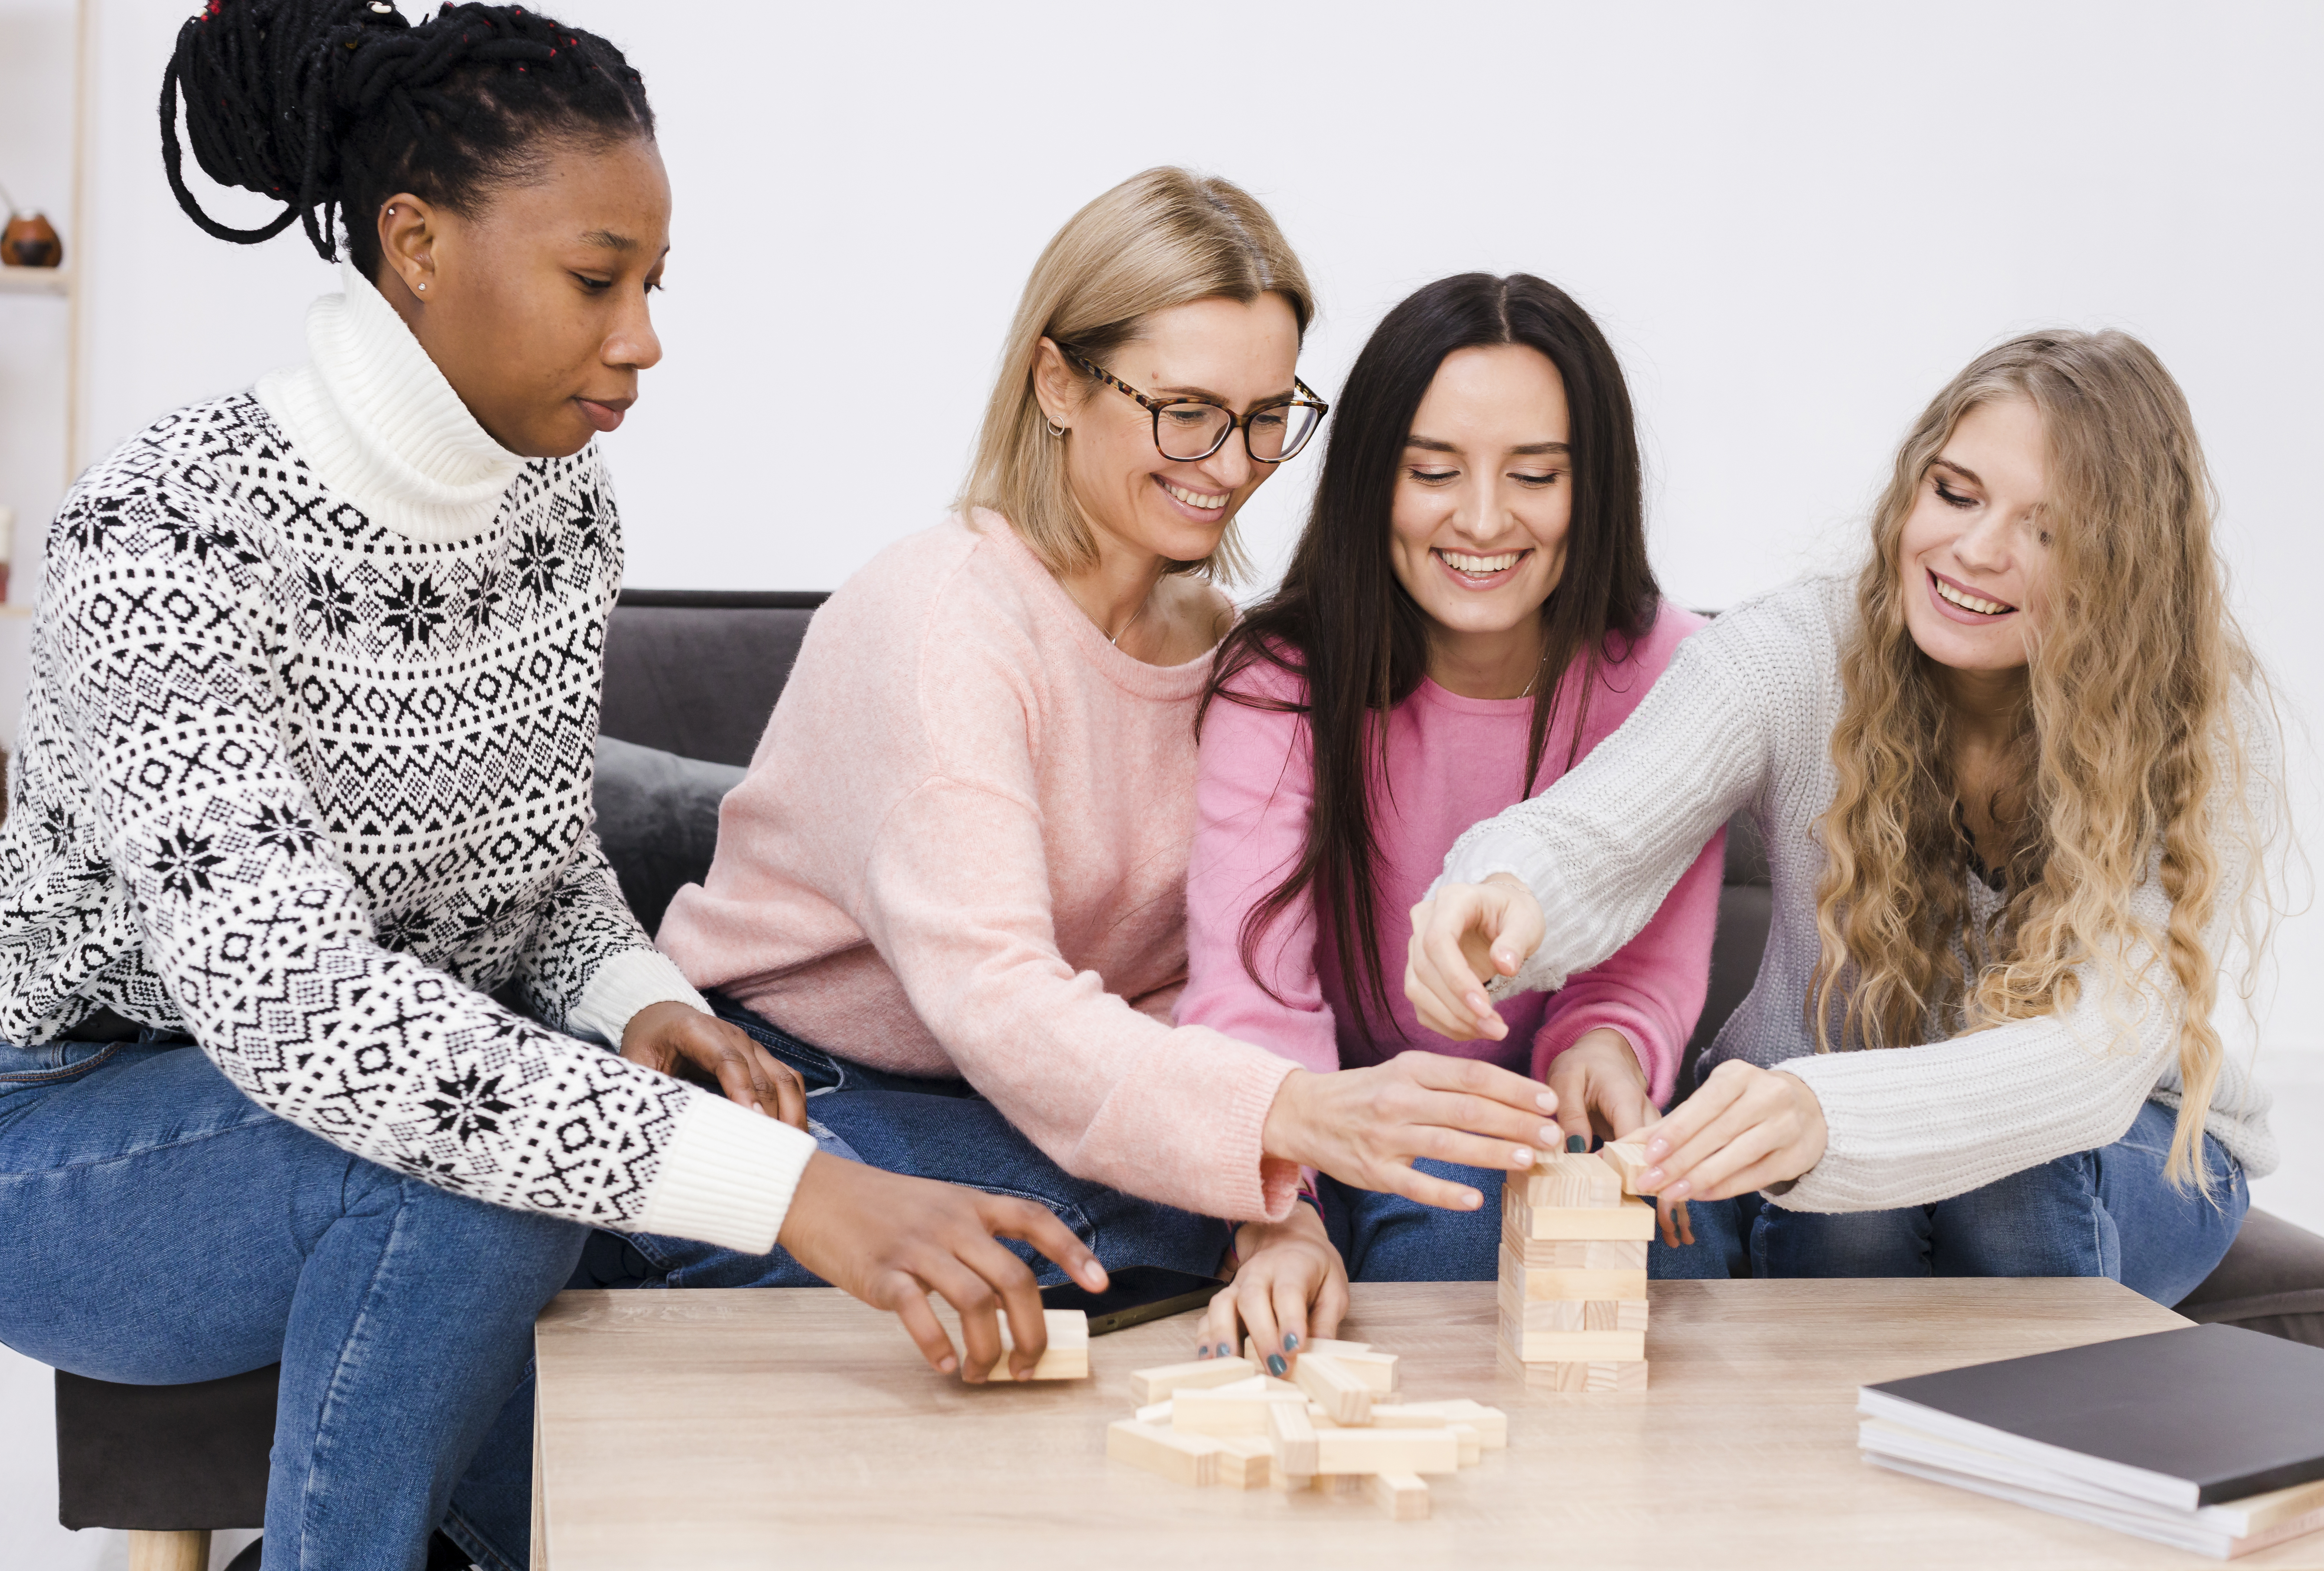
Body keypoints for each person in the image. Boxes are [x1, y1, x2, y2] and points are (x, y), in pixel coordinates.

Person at [0, 0, 1104, 1571]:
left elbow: (535, 874)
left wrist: (636, 1002)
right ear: (416, 244)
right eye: (599, 279)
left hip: (380, 1097)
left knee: (676, 1192)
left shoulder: (560, 516)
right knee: (474, 1176)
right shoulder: (165, 538)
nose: (646, 340)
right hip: (68, 1141)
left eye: (657, 283)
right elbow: (305, 1010)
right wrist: (794, 1192)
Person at [648, 172, 1571, 1310]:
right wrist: (1278, 1141)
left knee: (1392, 1196)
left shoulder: (1241, 659)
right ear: (1057, 382)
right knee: (1092, 1229)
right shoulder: (945, 621)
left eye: (1268, 416)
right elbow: (1000, 998)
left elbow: (1217, 987)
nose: (1232, 465)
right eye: (1185, 412)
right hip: (800, 1085)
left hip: (1023, 1097)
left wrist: (1280, 1221)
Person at [1405, 329, 2280, 1300]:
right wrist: (1500, 890)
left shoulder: (2199, 720)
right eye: (1954, 494)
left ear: (2125, 568)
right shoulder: (1799, 651)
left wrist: (1822, 1109)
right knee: (1837, 1209)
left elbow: (2095, 1061)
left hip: (2134, 1155)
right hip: (1841, 1173)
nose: (1976, 551)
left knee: (2007, 1186)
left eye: (2050, 530)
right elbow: (1597, 827)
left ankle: (2052, 1436)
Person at [1174, 273, 1729, 1357]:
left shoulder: (1675, 671)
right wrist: (1281, 1225)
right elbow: (1251, 995)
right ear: (1373, 479)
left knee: (1679, 1259)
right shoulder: (1281, 681)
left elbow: (1637, 966)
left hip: (1546, 1128)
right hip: (1348, 1128)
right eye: (1433, 473)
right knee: (1446, 1231)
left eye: (1536, 476)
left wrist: (1606, 1050)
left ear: (1595, 487)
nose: (1482, 520)